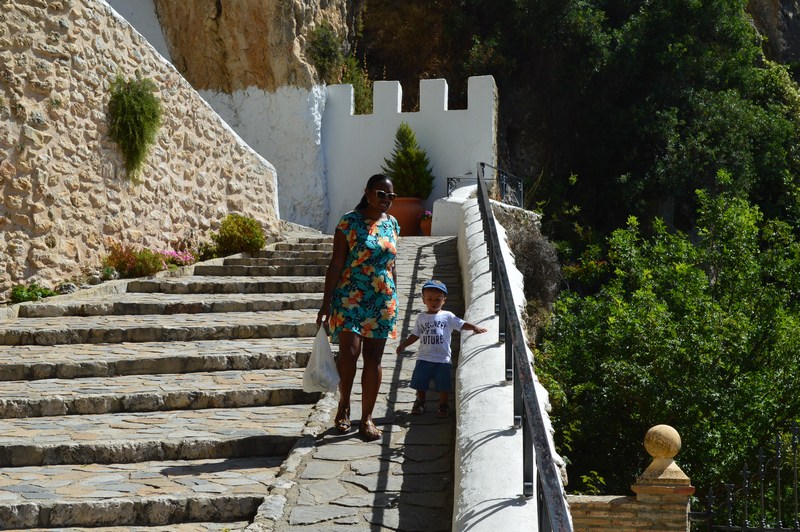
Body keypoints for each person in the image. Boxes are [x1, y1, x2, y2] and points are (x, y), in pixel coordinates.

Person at [316, 173, 400, 441]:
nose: (386, 200)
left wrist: (395, 298)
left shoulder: (393, 224)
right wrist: (326, 303)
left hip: (381, 299)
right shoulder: (348, 222)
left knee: (373, 359)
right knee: (350, 353)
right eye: (381, 194)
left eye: (391, 196)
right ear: (367, 192)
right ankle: (344, 404)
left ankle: (366, 418)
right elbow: (336, 264)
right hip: (350, 296)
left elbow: (392, 265)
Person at [395, 279, 487, 418]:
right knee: (421, 382)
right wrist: (404, 345)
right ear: (424, 300)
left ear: (444, 300)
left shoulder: (447, 316)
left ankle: (443, 405)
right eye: (430, 299)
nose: (434, 302)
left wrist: (474, 327)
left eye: (438, 299)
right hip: (424, 357)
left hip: (442, 358)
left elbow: (460, 324)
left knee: (443, 384)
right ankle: (420, 402)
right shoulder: (421, 317)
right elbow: (416, 334)